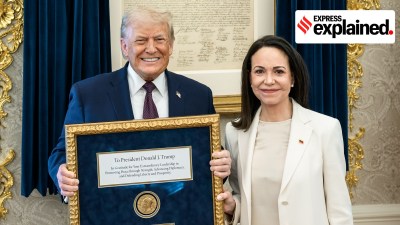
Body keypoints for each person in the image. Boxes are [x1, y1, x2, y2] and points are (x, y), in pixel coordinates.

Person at [48, 8, 230, 202]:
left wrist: (222, 166)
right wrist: (63, 174)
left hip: (180, 213)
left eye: (159, 40)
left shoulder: (198, 95)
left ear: (171, 45)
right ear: (125, 47)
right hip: (112, 213)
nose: (151, 49)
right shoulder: (88, 95)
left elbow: (211, 158)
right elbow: (62, 153)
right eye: (141, 41)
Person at [218, 35, 353, 225]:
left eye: (279, 72)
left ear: (293, 78)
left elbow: (339, 209)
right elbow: (242, 193)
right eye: (259, 71)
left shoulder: (325, 129)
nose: (269, 80)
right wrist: (234, 206)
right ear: (249, 77)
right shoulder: (235, 132)